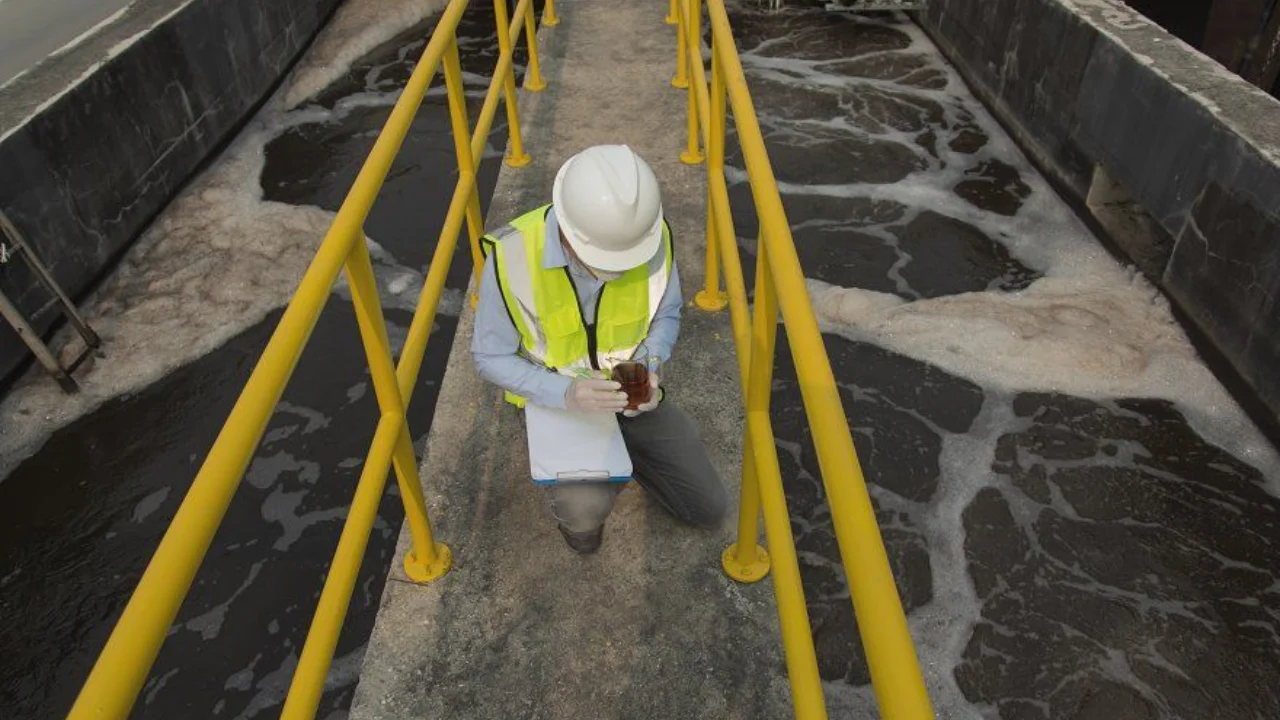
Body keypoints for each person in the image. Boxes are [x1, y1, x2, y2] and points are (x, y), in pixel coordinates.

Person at [470, 144, 728, 554]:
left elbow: (667, 314)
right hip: (559, 403)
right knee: (585, 513)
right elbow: (489, 357)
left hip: (632, 394)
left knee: (709, 509)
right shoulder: (512, 255)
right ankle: (587, 507)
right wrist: (565, 393)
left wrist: (650, 365)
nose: (619, 270)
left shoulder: (652, 237)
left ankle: (630, 457)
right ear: (569, 233)